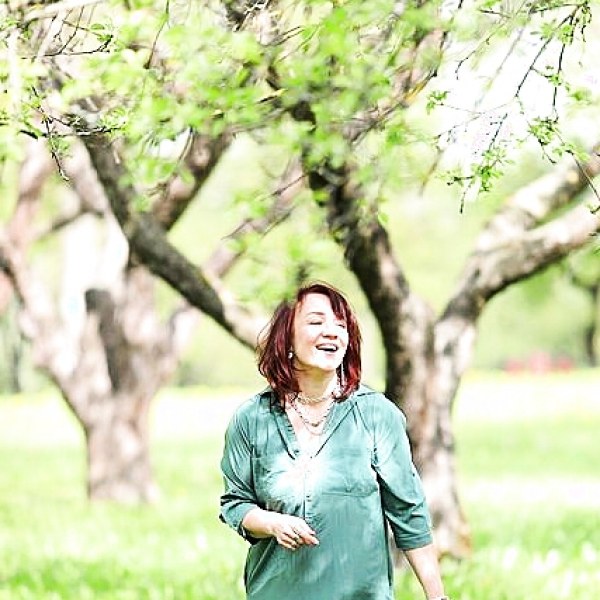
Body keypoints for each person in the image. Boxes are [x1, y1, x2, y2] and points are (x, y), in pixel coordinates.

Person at [219, 282, 449, 600]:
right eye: (316, 322)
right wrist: (271, 522)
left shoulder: (376, 415)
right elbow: (235, 503)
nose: (332, 332)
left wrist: (437, 596)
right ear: (286, 337)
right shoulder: (252, 419)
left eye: (341, 325)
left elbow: (408, 512)